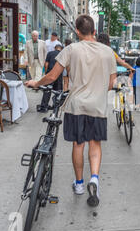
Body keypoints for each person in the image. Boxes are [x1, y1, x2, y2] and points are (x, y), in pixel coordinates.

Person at [25, 15, 117, 208]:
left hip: (76, 106)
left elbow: (52, 76)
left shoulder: (71, 49)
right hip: (97, 107)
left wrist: (35, 82)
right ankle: (94, 178)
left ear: (77, 31)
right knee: (95, 145)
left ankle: (79, 185)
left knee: (78, 144)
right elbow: (111, 84)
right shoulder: (108, 52)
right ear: (94, 31)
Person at [37, 44, 64, 112]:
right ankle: (56, 106)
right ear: (61, 48)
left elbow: (46, 64)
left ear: (55, 48)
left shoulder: (50, 53)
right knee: (58, 91)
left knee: (47, 90)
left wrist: (46, 74)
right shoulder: (63, 54)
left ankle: (44, 107)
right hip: (59, 75)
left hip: (50, 74)